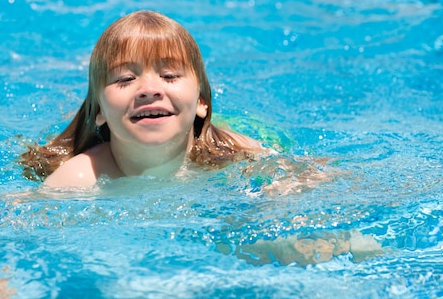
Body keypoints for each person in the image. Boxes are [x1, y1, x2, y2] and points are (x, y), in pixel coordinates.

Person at [20, 10, 278, 188]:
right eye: (124, 79)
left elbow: (306, 180)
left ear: (202, 101)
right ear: (99, 109)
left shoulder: (234, 154)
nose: (149, 89)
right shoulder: (78, 177)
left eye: (169, 75)